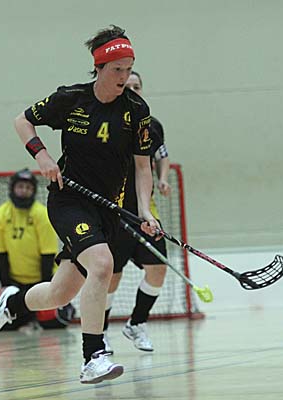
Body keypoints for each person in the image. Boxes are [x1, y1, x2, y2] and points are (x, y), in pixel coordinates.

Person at [0, 25, 159, 384]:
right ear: (99, 68)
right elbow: (23, 121)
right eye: (116, 69)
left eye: (128, 69)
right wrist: (42, 156)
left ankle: (11, 304)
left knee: (60, 294)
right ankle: (94, 356)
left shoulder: (137, 110)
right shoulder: (72, 99)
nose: (123, 77)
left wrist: (144, 211)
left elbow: (142, 166)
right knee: (102, 265)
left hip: (107, 210)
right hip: (69, 201)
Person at [102, 71, 171, 353]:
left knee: (158, 269)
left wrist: (163, 178)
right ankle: (100, 332)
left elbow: (162, 156)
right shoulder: (106, 122)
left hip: (145, 214)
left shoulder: (152, 125)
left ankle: (136, 323)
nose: (132, 89)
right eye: (127, 85)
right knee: (111, 276)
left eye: (137, 86)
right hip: (113, 215)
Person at [0, 168, 73, 331]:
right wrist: (5, 286)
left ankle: (47, 312)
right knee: (2, 326)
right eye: (20, 187)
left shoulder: (42, 214)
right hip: (16, 282)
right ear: (12, 188)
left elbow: (48, 255)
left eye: (28, 188)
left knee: (52, 322)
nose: (24, 191)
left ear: (33, 191)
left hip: (43, 278)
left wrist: (45, 290)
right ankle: (29, 316)